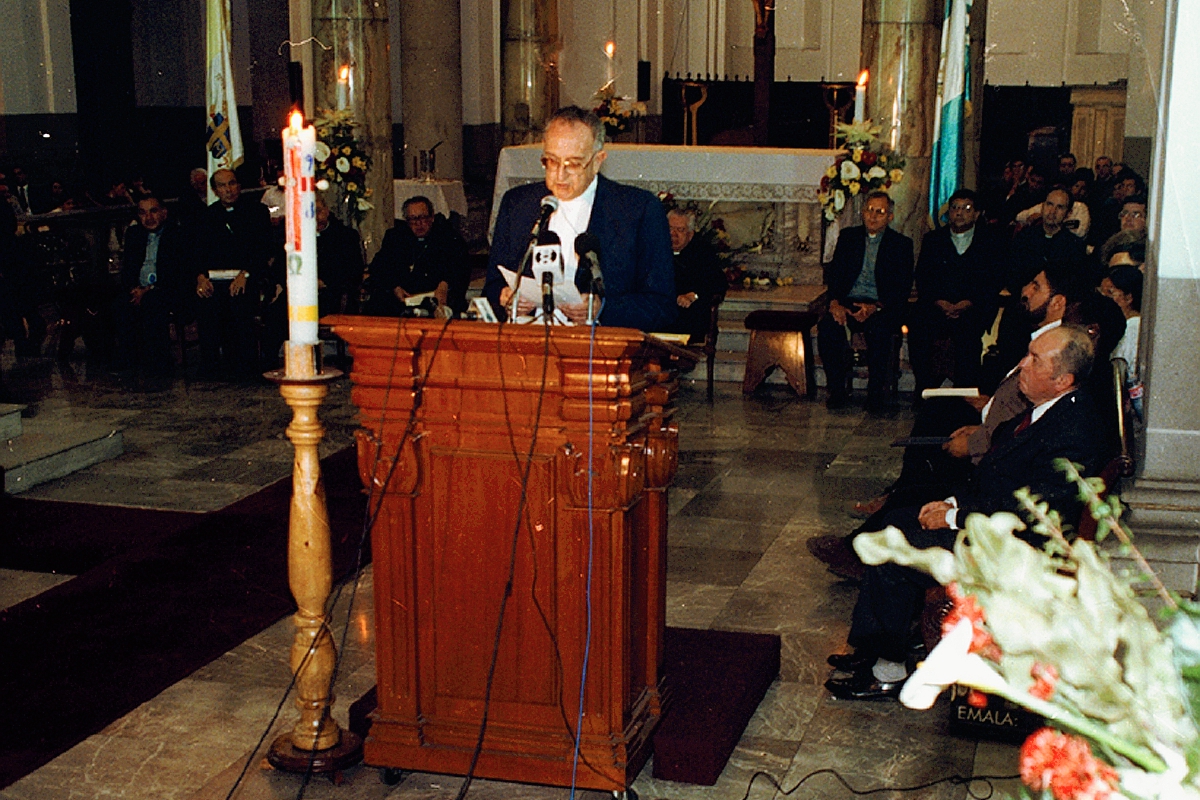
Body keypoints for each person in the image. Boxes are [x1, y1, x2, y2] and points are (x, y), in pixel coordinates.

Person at [825, 324, 1108, 700]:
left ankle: (888, 669)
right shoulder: (1050, 411)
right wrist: (953, 504)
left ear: (1062, 379)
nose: (1022, 364)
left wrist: (952, 518)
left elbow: (1032, 510)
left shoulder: (1074, 430)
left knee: (897, 546)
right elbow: (996, 478)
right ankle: (876, 649)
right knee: (897, 522)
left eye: (1034, 360)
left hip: (1017, 548)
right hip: (993, 526)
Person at [484, 105, 676, 330]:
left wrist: (602, 308)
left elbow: (662, 306)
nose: (559, 175)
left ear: (597, 161)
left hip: (601, 352)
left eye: (573, 164)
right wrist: (506, 297)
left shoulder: (637, 210)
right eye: (552, 161)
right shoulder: (517, 204)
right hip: (529, 345)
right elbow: (493, 286)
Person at [817, 190, 914, 412]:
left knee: (880, 331)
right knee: (828, 328)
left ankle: (876, 393)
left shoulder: (901, 244)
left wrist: (876, 306)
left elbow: (902, 286)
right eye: (869, 210)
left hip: (881, 305)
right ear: (862, 212)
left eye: (879, 212)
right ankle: (837, 389)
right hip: (849, 301)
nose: (873, 216)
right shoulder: (849, 237)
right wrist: (835, 303)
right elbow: (836, 276)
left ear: (890, 216)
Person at [909, 189, 1004, 396]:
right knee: (918, 329)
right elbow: (923, 276)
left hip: (971, 308)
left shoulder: (989, 241)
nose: (959, 213)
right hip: (937, 306)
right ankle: (924, 389)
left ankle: (964, 393)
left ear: (977, 214)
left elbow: (993, 279)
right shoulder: (933, 240)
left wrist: (968, 303)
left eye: (966, 208)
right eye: (955, 208)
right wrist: (939, 301)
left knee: (968, 339)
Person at [194, 168, 279, 379]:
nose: (228, 190)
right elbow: (196, 253)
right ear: (215, 190)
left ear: (238, 186)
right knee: (205, 301)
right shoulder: (207, 216)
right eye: (222, 186)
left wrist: (246, 273)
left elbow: (265, 250)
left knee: (239, 300)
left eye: (232, 183)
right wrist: (201, 277)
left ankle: (245, 367)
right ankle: (212, 367)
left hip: (248, 277)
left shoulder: (257, 212)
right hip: (214, 279)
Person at [111, 195, 185, 381]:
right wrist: (135, 289)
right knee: (119, 304)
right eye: (143, 213)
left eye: (153, 211)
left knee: (153, 303)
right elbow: (128, 268)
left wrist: (148, 290)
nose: (148, 218)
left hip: (166, 288)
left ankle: (159, 361)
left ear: (163, 213)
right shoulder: (134, 234)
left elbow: (176, 273)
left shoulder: (176, 234)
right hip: (139, 287)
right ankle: (128, 358)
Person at [365, 195, 469, 317]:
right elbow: (379, 266)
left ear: (432, 217)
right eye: (413, 219)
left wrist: (445, 283)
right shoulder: (395, 237)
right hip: (402, 299)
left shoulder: (449, 237)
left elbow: (460, 266)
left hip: (437, 298)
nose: (419, 224)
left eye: (423, 217)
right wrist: (394, 286)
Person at [1007, 187, 1087, 293]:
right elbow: (1012, 274)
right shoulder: (1024, 237)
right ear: (1042, 206)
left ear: (1068, 213)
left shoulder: (1075, 246)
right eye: (1049, 204)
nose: (1052, 211)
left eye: (1060, 207)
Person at [664, 208, 727, 343]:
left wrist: (693, 295)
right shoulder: (653, 251)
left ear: (690, 234)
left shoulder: (703, 253)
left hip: (688, 316)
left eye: (680, 230)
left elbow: (718, 283)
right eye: (669, 228)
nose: (673, 234)